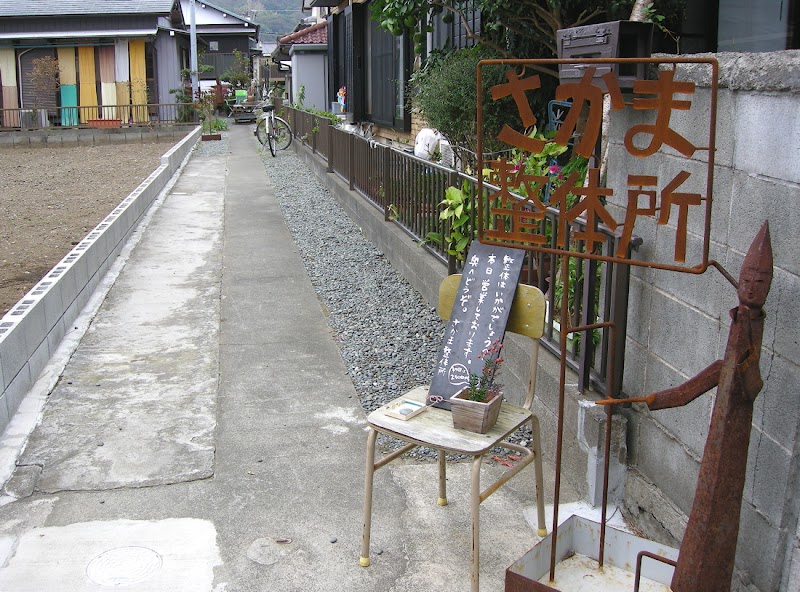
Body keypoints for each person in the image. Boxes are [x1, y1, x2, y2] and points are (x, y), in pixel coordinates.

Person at [597, 221, 773, 592]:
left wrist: (741, 366)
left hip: (732, 428)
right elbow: (698, 384)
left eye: (760, 281)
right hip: (723, 403)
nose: (751, 286)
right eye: (747, 278)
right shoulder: (739, 321)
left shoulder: (750, 329)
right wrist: (654, 400)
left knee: (715, 513)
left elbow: (748, 382)